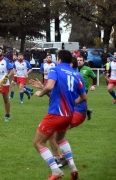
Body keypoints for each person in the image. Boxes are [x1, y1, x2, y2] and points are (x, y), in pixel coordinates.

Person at [32, 50, 87, 180]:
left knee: (38, 142)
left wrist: (41, 93)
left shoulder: (55, 70)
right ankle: (73, 168)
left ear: (59, 60)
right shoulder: (76, 74)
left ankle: (56, 171)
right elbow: (84, 97)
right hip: (69, 115)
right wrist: (74, 103)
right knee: (60, 139)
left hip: (56, 114)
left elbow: (50, 86)